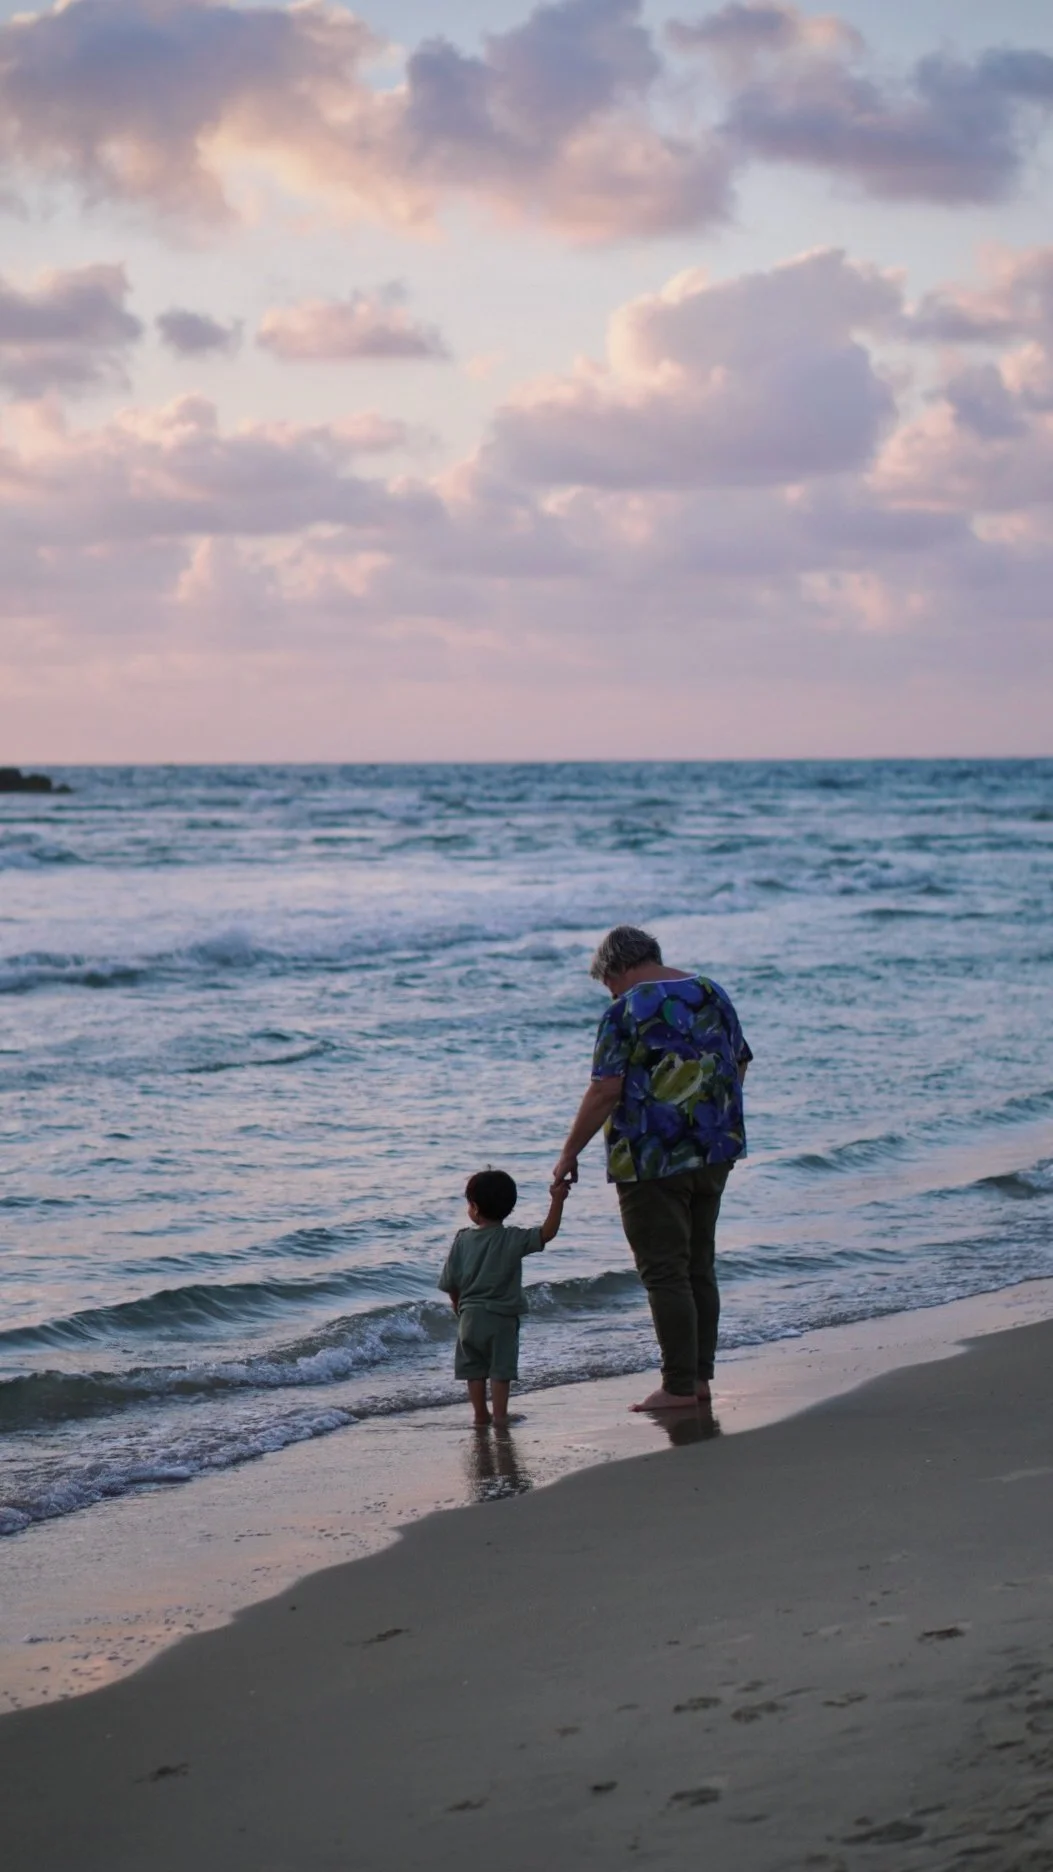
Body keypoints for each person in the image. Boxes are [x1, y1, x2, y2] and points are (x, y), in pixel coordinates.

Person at [552, 925, 752, 1413]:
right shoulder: (711, 991)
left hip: (651, 1159)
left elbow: (605, 1090)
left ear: (618, 968)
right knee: (699, 1266)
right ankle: (699, 1379)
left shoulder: (625, 1010)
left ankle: (679, 1386)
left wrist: (569, 1152)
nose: (612, 991)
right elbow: (739, 1063)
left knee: (665, 1272)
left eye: (608, 983)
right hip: (715, 1148)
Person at [439, 1168, 570, 1427]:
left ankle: (479, 1415)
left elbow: (451, 1282)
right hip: (502, 1319)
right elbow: (547, 1233)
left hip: (470, 1317)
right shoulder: (512, 1238)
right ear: (509, 1208)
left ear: (474, 1208)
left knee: (473, 1370)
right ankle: (500, 1415)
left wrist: (458, 1307)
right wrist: (557, 1200)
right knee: (501, 1370)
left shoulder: (462, 1240)